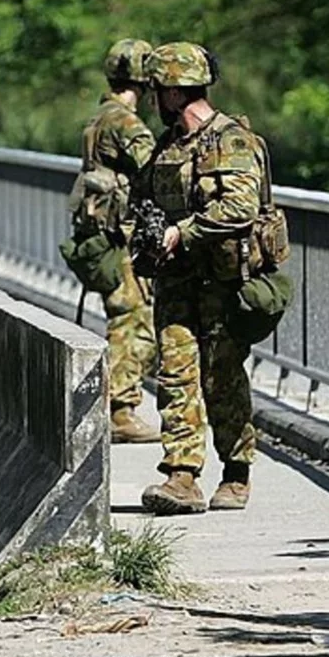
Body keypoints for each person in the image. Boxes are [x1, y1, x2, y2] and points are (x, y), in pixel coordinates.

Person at [133, 42, 264, 515]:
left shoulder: (230, 140)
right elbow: (142, 200)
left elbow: (240, 207)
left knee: (221, 375)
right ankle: (181, 474)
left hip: (223, 280)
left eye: (157, 91)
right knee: (174, 372)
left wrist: (182, 233)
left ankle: (236, 469)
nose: (153, 100)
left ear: (172, 91)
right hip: (176, 282)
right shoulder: (168, 147)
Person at [79, 38, 161, 444]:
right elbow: (158, 170)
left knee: (122, 316)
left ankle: (118, 406)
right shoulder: (125, 123)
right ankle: (121, 409)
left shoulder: (98, 118)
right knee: (133, 320)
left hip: (103, 237)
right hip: (122, 238)